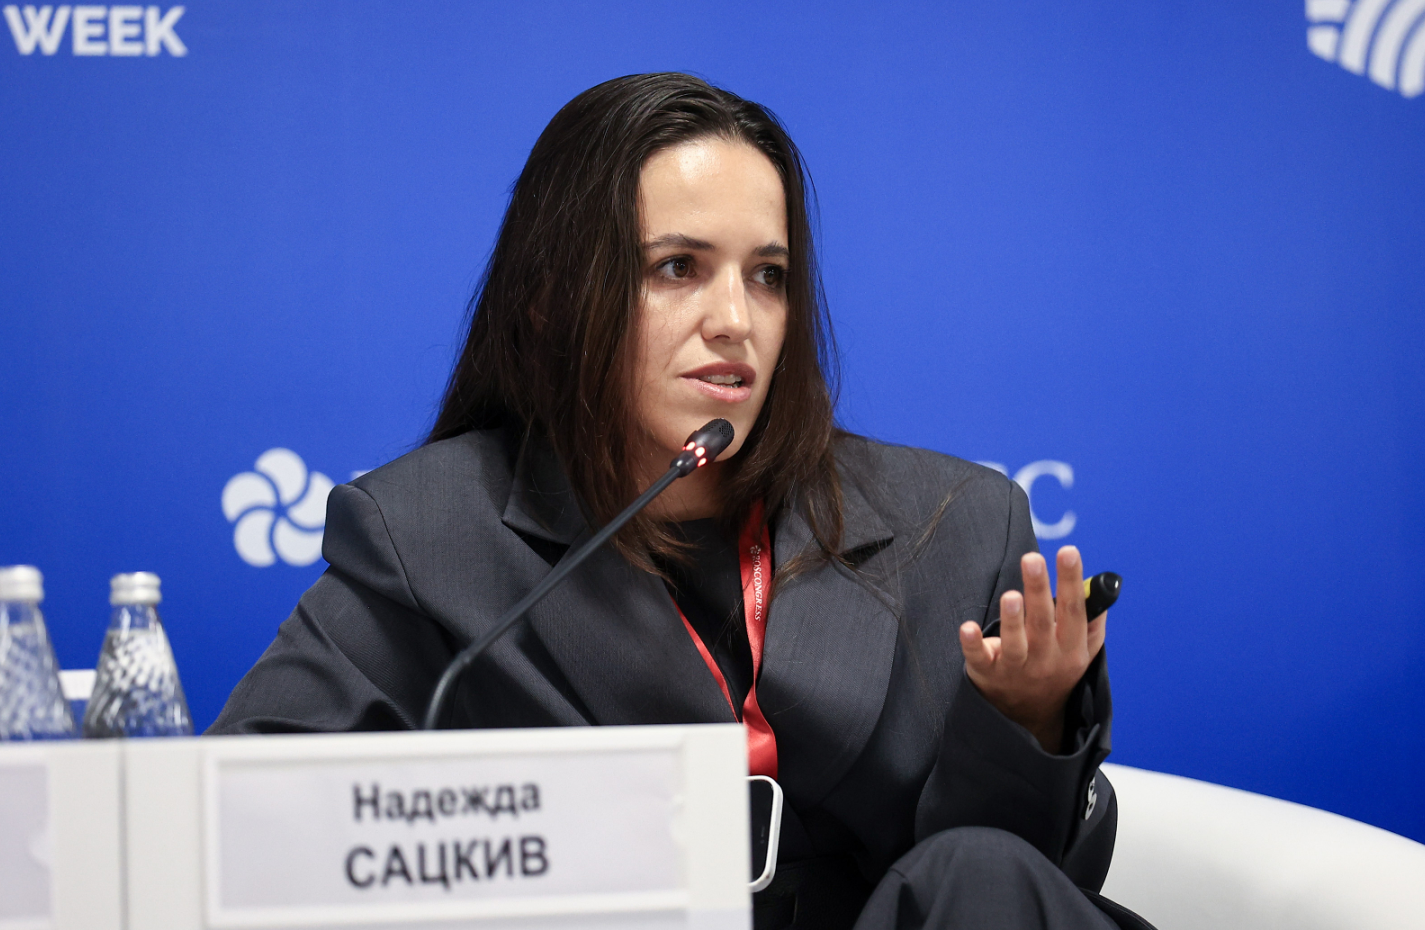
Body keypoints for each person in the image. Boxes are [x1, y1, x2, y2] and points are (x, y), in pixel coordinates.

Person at [210, 73, 1151, 930]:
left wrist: (1027, 727)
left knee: (978, 873)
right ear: (549, 301)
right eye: (677, 268)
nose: (735, 321)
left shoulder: (957, 524)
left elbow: (1029, 888)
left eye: (768, 276)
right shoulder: (428, 537)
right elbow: (239, 825)